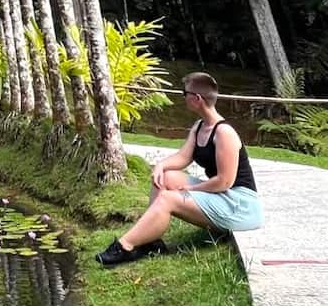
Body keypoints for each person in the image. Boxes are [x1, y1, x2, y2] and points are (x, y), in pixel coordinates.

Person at [96, 71, 263, 267]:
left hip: (239, 205)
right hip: (222, 195)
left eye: (185, 94)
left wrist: (191, 191)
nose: (183, 97)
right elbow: (183, 157)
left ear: (197, 98)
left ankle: (124, 246)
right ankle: (150, 241)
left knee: (168, 198)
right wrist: (160, 165)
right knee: (165, 177)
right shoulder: (200, 126)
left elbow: (224, 181)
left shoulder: (224, 133)